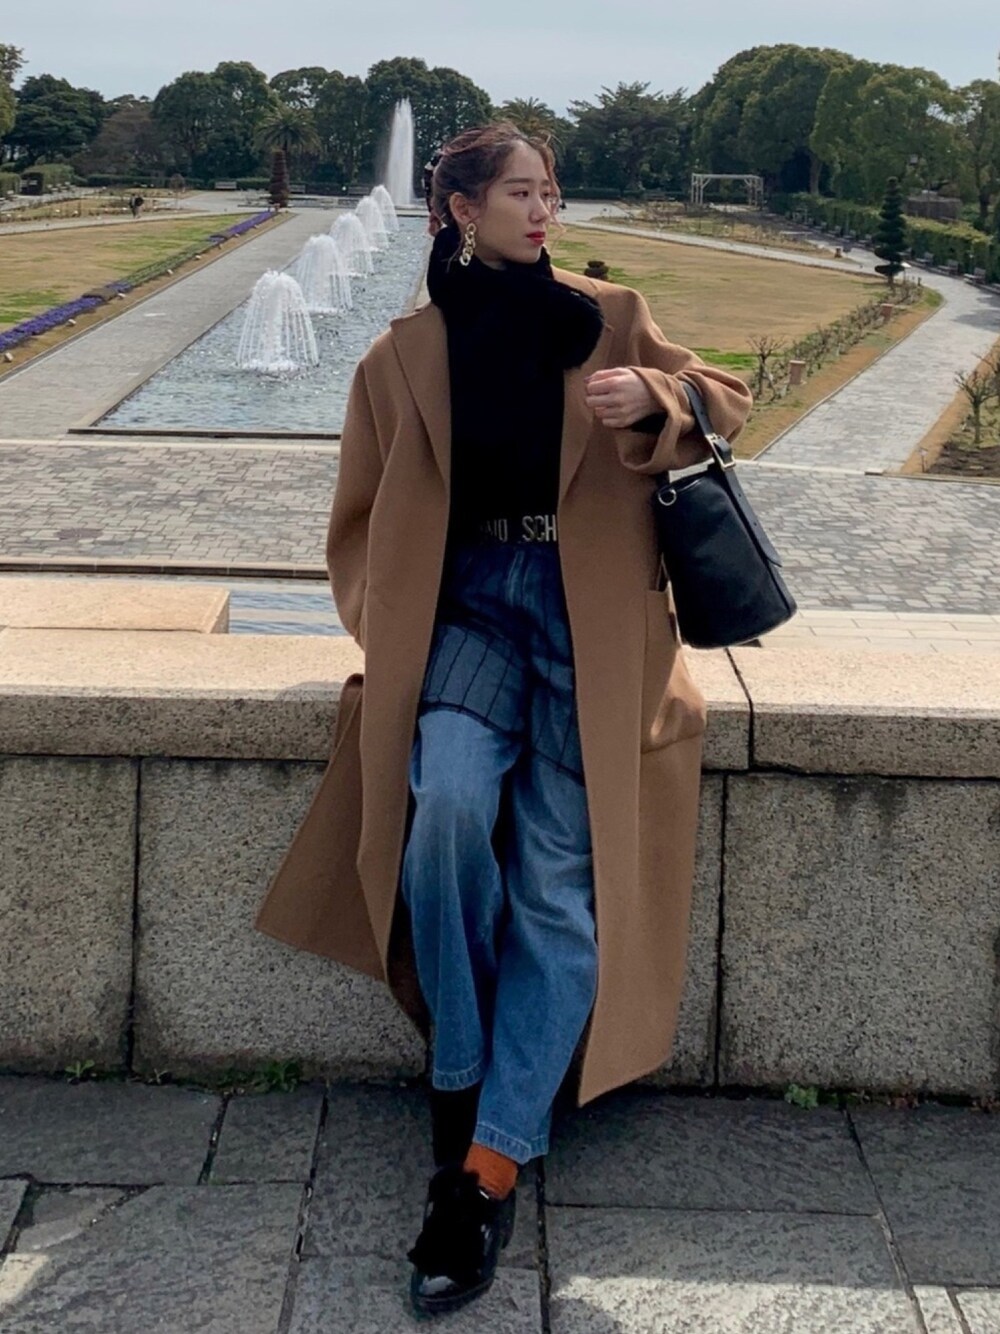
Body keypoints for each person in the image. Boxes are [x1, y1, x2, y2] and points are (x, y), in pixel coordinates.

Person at [255, 122, 753, 1318]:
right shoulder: (402, 353)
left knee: (553, 884)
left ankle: (483, 1165)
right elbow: (356, 519)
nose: (543, 210)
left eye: (551, 192)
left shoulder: (609, 315)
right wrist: (386, 624)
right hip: (468, 611)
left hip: (588, 625)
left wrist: (661, 396)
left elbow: (729, 404)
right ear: (461, 208)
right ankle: (467, 1063)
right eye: (520, 192)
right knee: (443, 809)